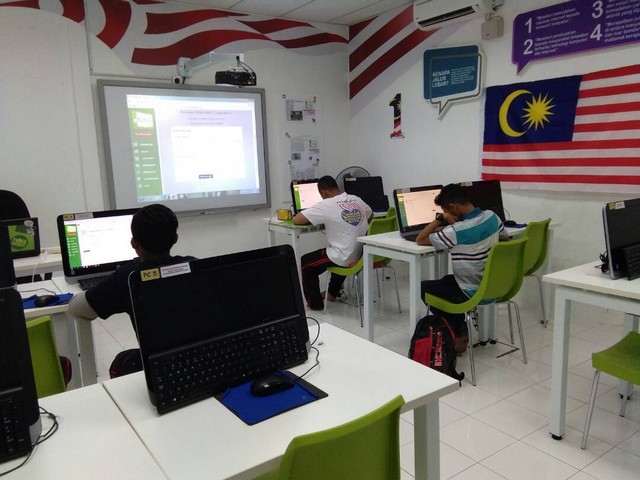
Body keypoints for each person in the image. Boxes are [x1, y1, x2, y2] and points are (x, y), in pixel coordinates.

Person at [69, 203, 194, 328]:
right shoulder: (195, 266)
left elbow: (76, 309)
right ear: (175, 238)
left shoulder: (128, 277)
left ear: (133, 243)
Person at [416, 183, 508, 349]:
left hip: (470, 290)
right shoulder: (492, 217)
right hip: (493, 286)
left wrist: (439, 219)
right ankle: (459, 328)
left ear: (453, 207)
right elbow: (504, 240)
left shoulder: (456, 230)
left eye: (447, 211)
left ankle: (459, 329)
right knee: (446, 280)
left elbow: (420, 239)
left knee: (422, 287)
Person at [293, 175, 372, 310]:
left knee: (306, 263)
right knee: (337, 248)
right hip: (361, 254)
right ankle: (332, 294)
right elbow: (371, 214)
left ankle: (315, 304)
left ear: (324, 193)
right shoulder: (356, 199)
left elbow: (297, 220)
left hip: (344, 256)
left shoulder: (326, 205)